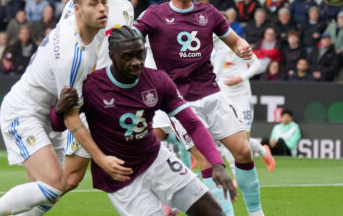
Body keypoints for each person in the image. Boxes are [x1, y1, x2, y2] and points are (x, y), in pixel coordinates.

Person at [0, 0, 119, 216]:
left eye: (104, 2)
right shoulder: (72, 57)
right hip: (24, 111)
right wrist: (101, 159)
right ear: (78, 9)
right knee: (52, 186)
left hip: (47, 115)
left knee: (52, 190)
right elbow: (71, 120)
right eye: (94, 4)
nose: (102, 8)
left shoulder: (90, 25)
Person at [134, 0, 266, 216]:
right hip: (179, 103)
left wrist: (241, 47)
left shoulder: (208, 13)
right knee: (206, 161)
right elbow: (131, 37)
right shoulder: (154, 15)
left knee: (242, 151)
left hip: (213, 95)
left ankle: (256, 212)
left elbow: (234, 41)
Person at [58, 27, 232, 216]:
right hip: (121, 175)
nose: (136, 62)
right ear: (112, 56)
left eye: (140, 54)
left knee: (214, 213)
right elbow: (59, 124)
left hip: (156, 159)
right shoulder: (92, 86)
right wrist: (58, 111)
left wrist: (216, 162)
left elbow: (192, 123)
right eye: (128, 57)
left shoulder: (157, 80)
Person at [54, 0, 136, 197]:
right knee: (70, 178)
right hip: (88, 98)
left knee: (138, 163)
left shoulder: (126, 8)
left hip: (116, 100)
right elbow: (64, 46)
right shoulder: (77, 7)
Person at [211, 35, 275, 173]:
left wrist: (240, 78)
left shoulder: (238, 43)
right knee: (228, 136)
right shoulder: (209, 46)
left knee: (243, 140)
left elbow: (256, 65)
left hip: (241, 95)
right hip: (223, 95)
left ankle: (263, 151)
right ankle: (236, 174)